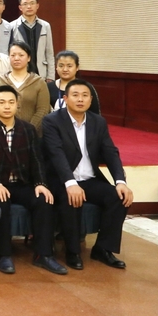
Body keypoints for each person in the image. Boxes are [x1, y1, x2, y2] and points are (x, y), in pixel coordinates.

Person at [0, 85, 66, 275]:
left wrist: (40, 184)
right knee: (1, 202)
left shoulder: (28, 129)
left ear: (17, 105)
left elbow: (36, 160)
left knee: (44, 200)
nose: (7, 106)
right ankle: (4, 255)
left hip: (22, 183)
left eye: (11, 102)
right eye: (2, 102)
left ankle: (43, 255)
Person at [42, 80, 133, 270]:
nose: (80, 99)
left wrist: (120, 181)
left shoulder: (98, 122)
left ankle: (103, 249)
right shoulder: (52, 121)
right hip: (61, 180)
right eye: (75, 95)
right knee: (71, 198)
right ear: (65, 99)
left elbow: (110, 152)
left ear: (91, 100)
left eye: (85, 96)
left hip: (90, 179)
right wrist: (70, 183)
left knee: (118, 197)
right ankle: (73, 252)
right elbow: (56, 154)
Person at [0, 41, 51, 135]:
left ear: (29, 58)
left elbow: (43, 110)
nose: (16, 58)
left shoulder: (39, 82)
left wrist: (28, 131)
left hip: (32, 135)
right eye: (13, 55)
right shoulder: (0, 81)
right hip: (3, 134)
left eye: (21, 55)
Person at [10, 0, 55, 80]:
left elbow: (49, 52)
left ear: (37, 5)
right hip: (21, 72)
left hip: (41, 72)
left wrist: (51, 76)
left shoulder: (45, 26)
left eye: (32, 3)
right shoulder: (12, 26)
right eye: (25, 4)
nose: (29, 6)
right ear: (20, 7)